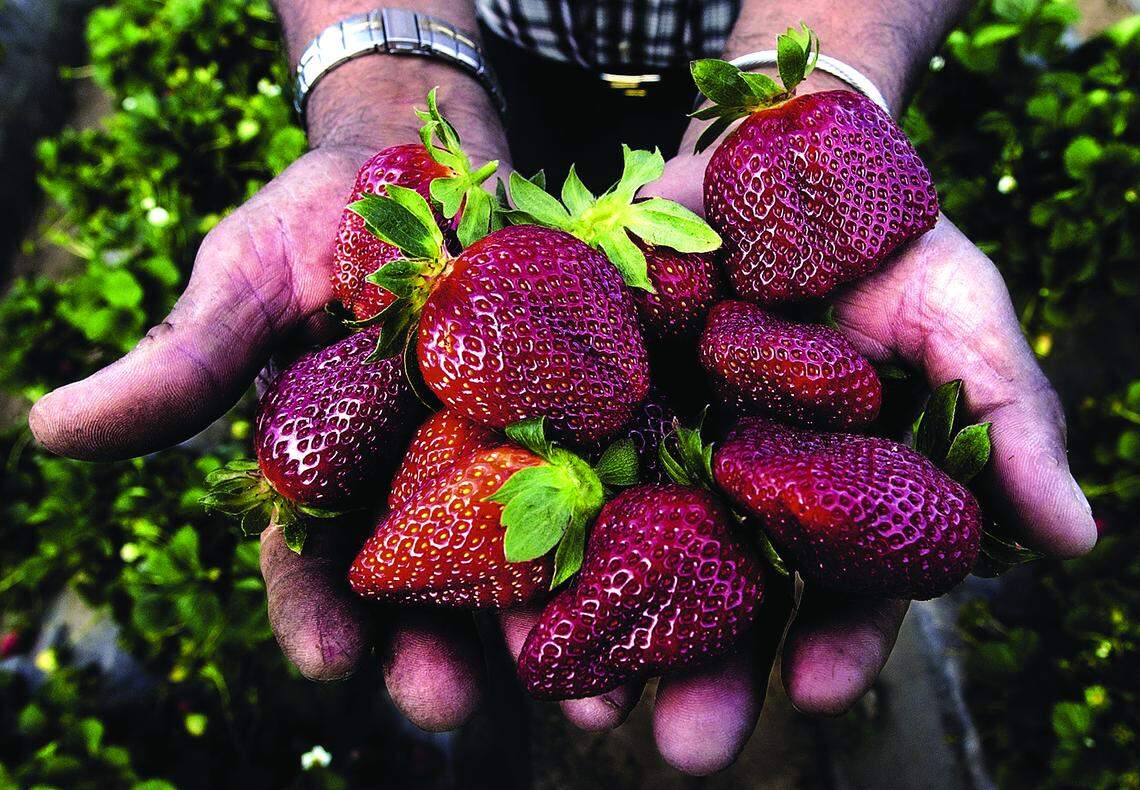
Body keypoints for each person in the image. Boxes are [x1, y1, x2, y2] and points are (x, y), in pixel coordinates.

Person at [28, 0, 1097, 776]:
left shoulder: (590, 346)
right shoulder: (480, 329)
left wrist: (824, 77)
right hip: (486, 60)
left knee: (610, 294)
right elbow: (581, 348)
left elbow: (629, 353)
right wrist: (389, 90)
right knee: (575, 280)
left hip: (756, 76)